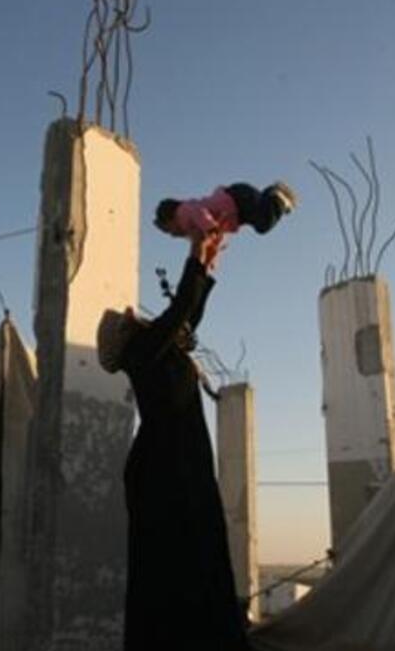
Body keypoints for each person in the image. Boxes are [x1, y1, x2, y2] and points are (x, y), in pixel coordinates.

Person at [97, 233, 248, 651]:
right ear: (128, 334)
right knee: (177, 563)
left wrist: (207, 265)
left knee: (196, 554)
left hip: (177, 463)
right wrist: (194, 254)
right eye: (130, 319)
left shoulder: (157, 350)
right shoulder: (144, 350)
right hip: (165, 469)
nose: (137, 317)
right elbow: (179, 311)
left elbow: (185, 319)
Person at [154, 181, 297, 242]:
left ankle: (277, 195)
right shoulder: (191, 227)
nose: (172, 235)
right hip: (238, 208)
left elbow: (197, 210)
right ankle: (272, 195)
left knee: (263, 223)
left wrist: (210, 228)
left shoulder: (183, 212)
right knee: (261, 221)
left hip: (238, 199)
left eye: (169, 230)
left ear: (171, 219)